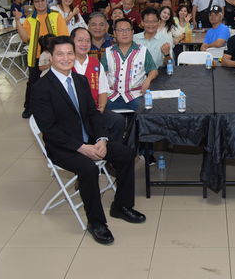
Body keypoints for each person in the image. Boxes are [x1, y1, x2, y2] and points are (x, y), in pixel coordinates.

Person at [31, 36, 145, 246]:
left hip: (90, 140)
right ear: (51, 57)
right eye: (60, 54)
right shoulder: (41, 88)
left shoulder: (80, 80)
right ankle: (96, 222)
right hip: (63, 147)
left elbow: (93, 114)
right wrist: (81, 147)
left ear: (75, 55)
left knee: (127, 154)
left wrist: (101, 139)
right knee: (89, 169)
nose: (66, 58)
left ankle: (121, 206)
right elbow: (49, 129)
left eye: (69, 53)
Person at [14, 0, 69, 119]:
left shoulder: (56, 16)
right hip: (36, 55)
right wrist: (17, 20)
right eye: (37, 1)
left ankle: (56, 106)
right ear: (33, 4)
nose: (40, 3)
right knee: (33, 83)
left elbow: (64, 36)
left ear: (46, 1)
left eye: (42, 0)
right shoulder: (29, 20)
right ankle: (29, 107)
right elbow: (24, 38)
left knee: (56, 82)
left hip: (55, 56)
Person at [70, 27, 128, 142]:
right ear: (72, 41)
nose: (84, 44)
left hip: (93, 111)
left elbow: (102, 91)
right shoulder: (66, 64)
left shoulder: (95, 63)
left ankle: (109, 152)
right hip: (72, 113)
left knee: (118, 121)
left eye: (87, 41)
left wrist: (100, 109)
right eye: (80, 40)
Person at [102, 18, 158, 111]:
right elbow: (101, 74)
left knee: (148, 110)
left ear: (132, 32)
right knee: (98, 110)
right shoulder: (108, 52)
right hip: (112, 95)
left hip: (136, 95)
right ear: (115, 33)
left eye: (127, 30)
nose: (124, 33)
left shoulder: (142, 51)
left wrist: (148, 79)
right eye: (120, 30)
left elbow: (153, 70)